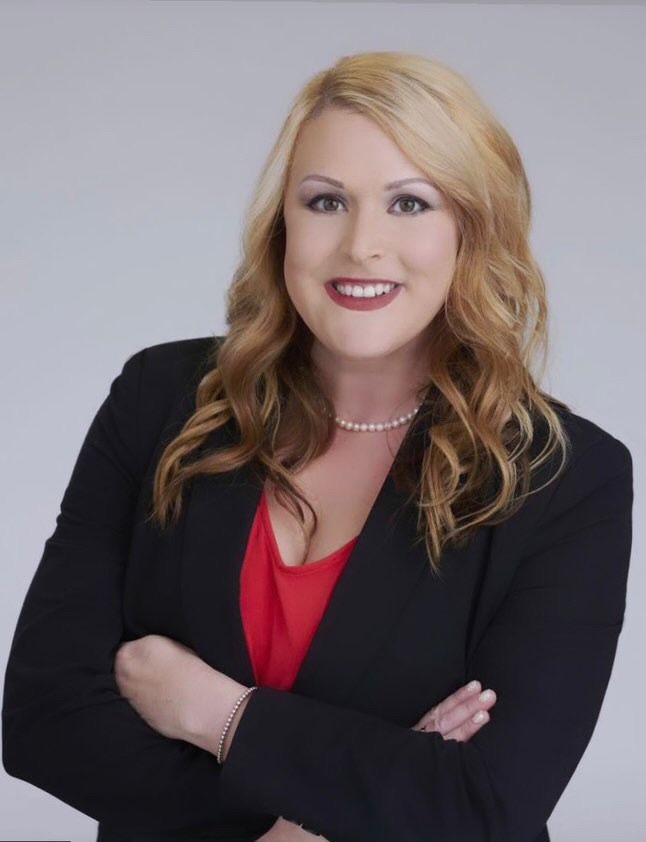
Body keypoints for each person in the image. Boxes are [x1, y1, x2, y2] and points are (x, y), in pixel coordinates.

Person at [2, 51, 633, 842]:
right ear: (284, 224)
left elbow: (486, 804)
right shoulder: (160, 400)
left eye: (410, 204)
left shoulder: (564, 477)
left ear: (472, 230)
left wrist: (219, 715)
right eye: (327, 201)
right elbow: (42, 719)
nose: (361, 245)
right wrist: (325, 813)